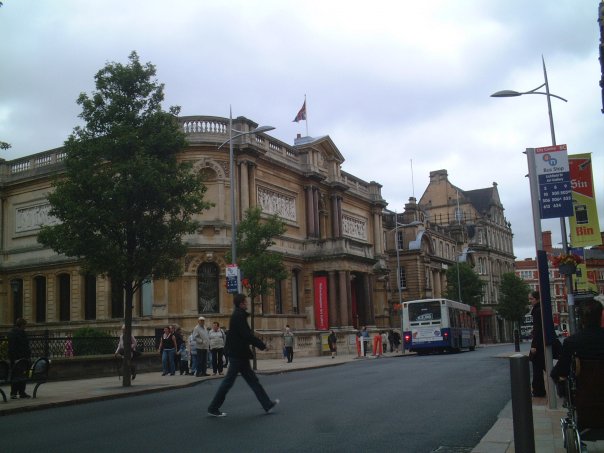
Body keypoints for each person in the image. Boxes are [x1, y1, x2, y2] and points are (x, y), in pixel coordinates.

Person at [207, 293, 279, 417]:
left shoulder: (239, 315)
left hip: (240, 354)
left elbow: (246, 335)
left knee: (253, 381)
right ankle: (213, 407)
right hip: (237, 355)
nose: (247, 303)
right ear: (241, 304)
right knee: (229, 382)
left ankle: (267, 404)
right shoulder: (238, 316)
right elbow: (247, 335)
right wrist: (262, 345)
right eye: (245, 302)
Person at [551, 297, 604, 386]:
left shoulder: (571, 342)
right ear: (600, 317)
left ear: (581, 319)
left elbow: (560, 372)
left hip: (583, 391)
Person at [7, 318, 31, 399]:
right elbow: (12, 347)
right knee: (17, 375)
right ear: (21, 325)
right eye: (25, 325)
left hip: (22, 357)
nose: (25, 327)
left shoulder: (18, 333)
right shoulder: (15, 333)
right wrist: (14, 358)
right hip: (17, 358)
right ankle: (15, 393)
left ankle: (20, 392)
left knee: (21, 375)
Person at [528, 291, 546, 397]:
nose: (530, 301)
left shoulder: (537, 310)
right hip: (541, 342)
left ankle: (538, 390)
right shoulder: (539, 309)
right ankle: (538, 390)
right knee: (541, 365)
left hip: (539, 344)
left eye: (531, 299)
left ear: (537, 299)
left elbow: (538, 329)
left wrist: (534, 346)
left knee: (537, 366)